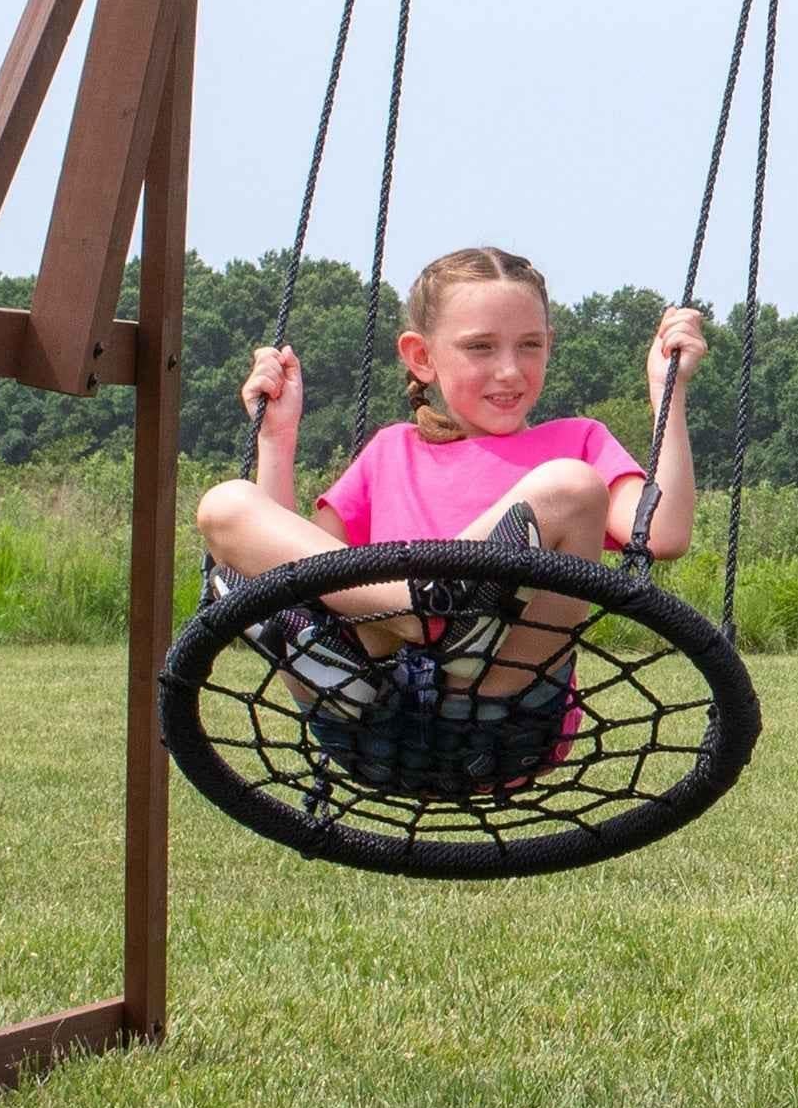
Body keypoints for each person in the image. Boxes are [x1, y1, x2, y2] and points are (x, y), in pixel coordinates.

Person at [196, 246, 704, 788]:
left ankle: (426, 613)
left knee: (571, 485)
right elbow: (298, 573)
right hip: (372, 717)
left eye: (529, 345)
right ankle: (421, 614)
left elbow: (664, 533)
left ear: (550, 346)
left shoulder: (576, 441)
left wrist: (667, 392)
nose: (509, 369)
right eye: (480, 347)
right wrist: (277, 439)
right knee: (225, 506)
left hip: (501, 713)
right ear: (421, 356)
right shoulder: (389, 452)